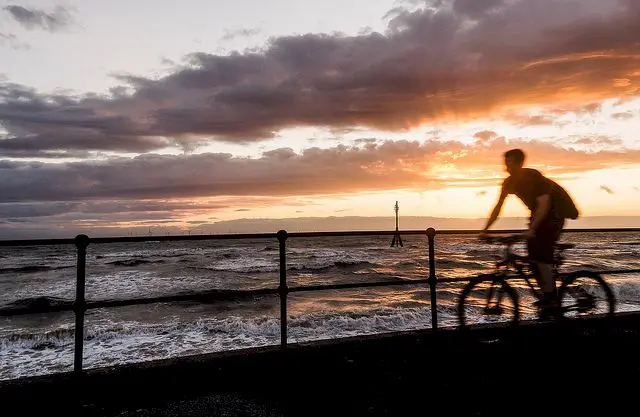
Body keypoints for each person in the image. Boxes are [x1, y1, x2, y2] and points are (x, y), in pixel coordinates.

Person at [479, 148, 579, 314]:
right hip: (538, 214)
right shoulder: (508, 183)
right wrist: (485, 230)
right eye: (505, 164)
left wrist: (532, 229)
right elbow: (498, 207)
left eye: (509, 163)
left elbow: (544, 204)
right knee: (532, 259)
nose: (506, 168)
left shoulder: (534, 178)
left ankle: (551, 299)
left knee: (541, 253)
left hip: (556, 212)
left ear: (519, 163)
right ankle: (547, 295)